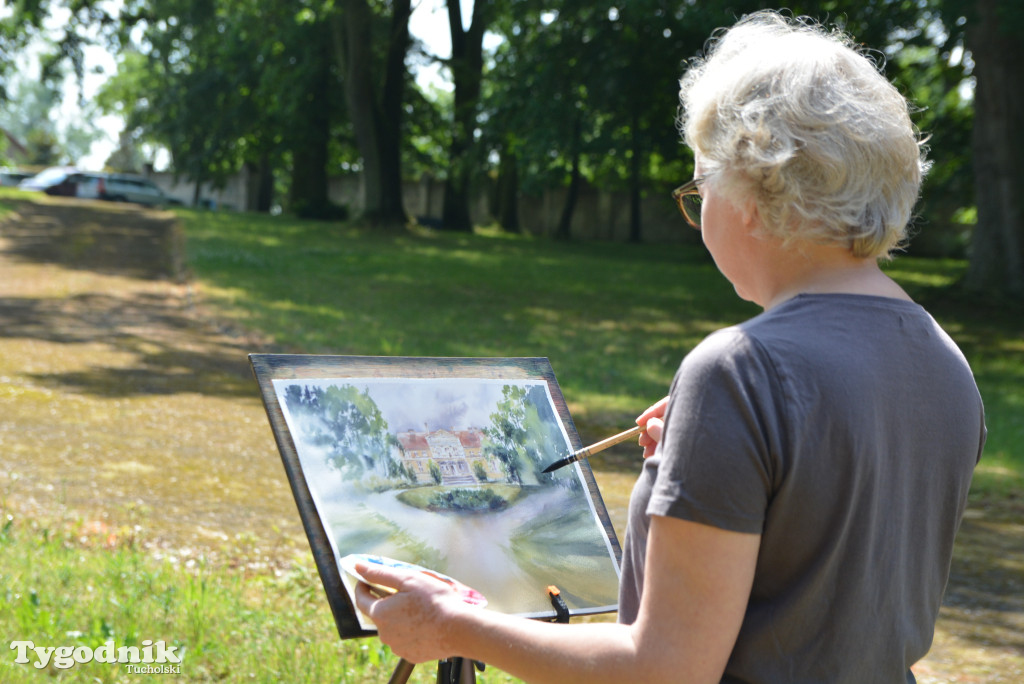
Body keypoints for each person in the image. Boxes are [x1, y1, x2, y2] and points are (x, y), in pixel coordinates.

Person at [354, 10, 986, 683]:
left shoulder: (740, 372)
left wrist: (454, 625)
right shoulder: (946, 362)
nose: (697, 210)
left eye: (699, 187)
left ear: (751, 187)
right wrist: (710, 461)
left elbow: (666, 668)